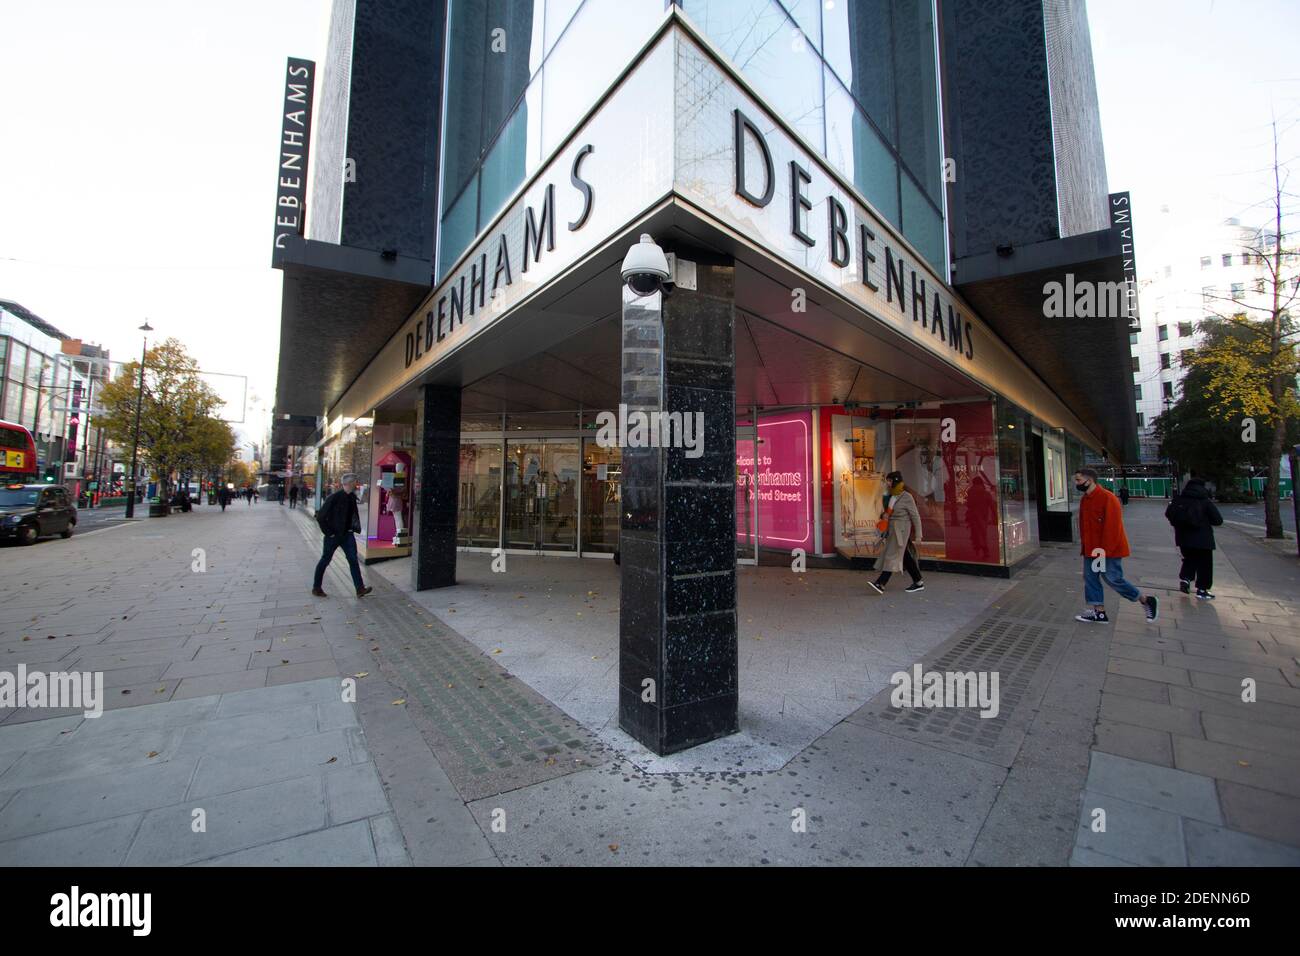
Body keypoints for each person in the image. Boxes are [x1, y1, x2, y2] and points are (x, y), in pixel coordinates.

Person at [1073, 467, 1159, 624]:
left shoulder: (1108, 498)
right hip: (1092, 548)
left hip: (1106, 549)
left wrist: (1105, 551)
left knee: (1113, 578)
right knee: (1091, 578)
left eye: (1078, 480)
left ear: (1089, 480)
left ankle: (1145, 600)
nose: (1076, 483)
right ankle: (1099, 612)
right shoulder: (1085, 499)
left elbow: (1113, 528)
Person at [312, 472, 372, 598]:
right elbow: (320, 516)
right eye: (355, 482)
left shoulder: (351, 497)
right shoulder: (334, 497)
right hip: (333, 536)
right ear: (349, 483)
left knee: (353, 560)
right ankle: (316, 587)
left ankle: (359, 588)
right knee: (325, 560)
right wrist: (329, 533)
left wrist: (353, 528)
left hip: (347, 535)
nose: (356, 484)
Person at [1166, 474, 1223, 600]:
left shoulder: (1179, 499)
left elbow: (1169, 513)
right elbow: (1218, 520)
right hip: (1203, 539)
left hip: (1183, 538)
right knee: (1205, 564)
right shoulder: (1204, 501)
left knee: (1189, 559)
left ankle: (1186, 579)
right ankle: (1202, 589)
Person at [867, 471, 925, 594]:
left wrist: (919, 535)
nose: (887, 483)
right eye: (887, 481)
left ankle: (881, 583)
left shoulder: (907, 497)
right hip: (893, 530)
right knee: (904, 555)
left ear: (895, 481)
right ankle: (918, 581)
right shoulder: (892, 496)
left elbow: (915, 516)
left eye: (889, 481)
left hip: (901, 531)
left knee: (892, 555)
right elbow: (888, 514)